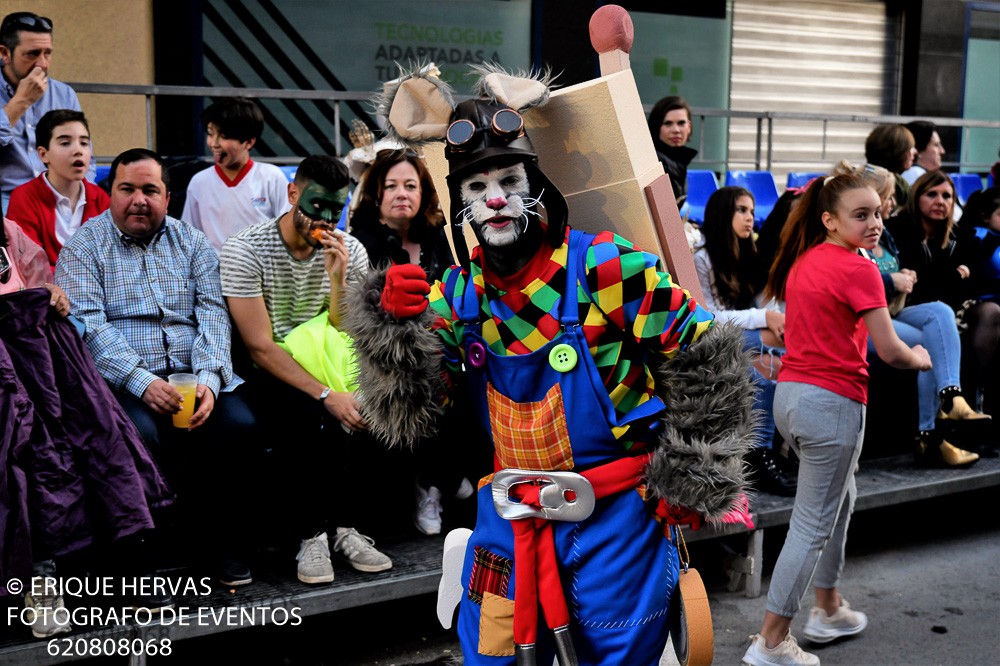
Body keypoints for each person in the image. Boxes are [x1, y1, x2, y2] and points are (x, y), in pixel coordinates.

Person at [346, 65, 754, 666]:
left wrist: (694, 469)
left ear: (534, 184)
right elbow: (411, 414)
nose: (494, 198)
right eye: (476, 187)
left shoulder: (608, 269)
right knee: (491, 652)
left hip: (616, 518)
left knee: (611, 656)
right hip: (510, 517)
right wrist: (391, 332)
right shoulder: (457, 295)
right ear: (459, 204)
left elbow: (705, 356)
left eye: (509, 179)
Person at [742, 174, 932, 666]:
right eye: (861, 215)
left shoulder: (804, 261)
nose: (874, 223)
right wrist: (920, 357)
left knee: (839, 499)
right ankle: (770, 643)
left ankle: (826, 608)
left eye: (877, 213)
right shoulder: (859, 268)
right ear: (830, 220)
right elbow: (889, 350)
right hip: (831, 405)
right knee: (811, 524)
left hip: (792, 400)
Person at [54, 148, 257, 595]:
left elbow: (213, 315)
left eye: (150, 190)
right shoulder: (84, 247)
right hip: (121, 381)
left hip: (192, 374)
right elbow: (88, 327)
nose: (139, 199)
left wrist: (207, 379)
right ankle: (153, 563)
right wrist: (142, 383)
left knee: (240, 424)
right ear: (111, 193)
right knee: (142, 433)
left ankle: (221, 546)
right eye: (127, 189)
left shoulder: (194, 243)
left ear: (168, 196)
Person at [220, 154, 394, 585]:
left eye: (336, 210)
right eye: (316, 206)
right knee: (309, 415)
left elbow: (344, 328)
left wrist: (337, 280)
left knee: (371, 405)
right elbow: (258, 346)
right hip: (264, 367)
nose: (325, 220)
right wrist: (324, 395)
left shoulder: (348, 248)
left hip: (324, 356)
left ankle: (346, 529)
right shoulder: (245, 249)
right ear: (292, 193)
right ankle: (311, 534)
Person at [0, 215, 173, 637]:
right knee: (21, 453)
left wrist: (52, 294)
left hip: (37, 357)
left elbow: (41, 280)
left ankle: (125, 573)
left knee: (98, 433)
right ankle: (38, 581)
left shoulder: (6, 231)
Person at [348, 147, 482, 535]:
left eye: (410, 185)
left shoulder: (439, 237)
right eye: (391, 186)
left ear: (425, 192)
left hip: (446, 345)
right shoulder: (361, 242)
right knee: (416, 383)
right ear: (376, 194)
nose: (401, 193)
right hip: (384, 354)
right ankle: (439, 478)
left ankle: (437, 479)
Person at [831, 160, 985, 466]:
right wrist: (894, 280)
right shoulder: (855, 233)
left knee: (938, 314)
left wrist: (902, 278)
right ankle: (930, 437)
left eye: (885, 202)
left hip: (892, 310)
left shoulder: (884, 233)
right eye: (885, 199)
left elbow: (956, 278)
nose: (889, 205)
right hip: (859, 321)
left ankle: (952, 397)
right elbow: (850, 280)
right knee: (930, 343)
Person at [694, 185, 795, 495]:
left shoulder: (750, 252)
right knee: (770, 359)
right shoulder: (702, 258)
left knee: (776, 361)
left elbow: (767, 302)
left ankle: (770, 451)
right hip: (711, 341)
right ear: (723, 214)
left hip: (745, 341)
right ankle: (763, 454)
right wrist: (765, 319)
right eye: (741, 210)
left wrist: (771, 317)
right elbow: (708, 317)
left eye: (752, 211)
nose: (750, 218)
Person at [0, 12, 94, 211]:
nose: (43, 64)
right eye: (32, 54)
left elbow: (86, 157)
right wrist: (20, 102)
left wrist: (84, 200)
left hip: (60, 199)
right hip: (8, 200)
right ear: (4, 54)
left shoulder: (63, 94)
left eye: (47, 53)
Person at [181, 97, 289, 252]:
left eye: (224, 136)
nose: (214, 143)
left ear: (249, 142)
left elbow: (287, 232)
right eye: (210, 134)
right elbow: (189, 238)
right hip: (215, 273)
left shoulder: (271, 177)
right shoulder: (199, 182)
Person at [6, 109, 108, 271]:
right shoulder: (24, 197)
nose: (78, 150)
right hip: (45, 293)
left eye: (84, 143)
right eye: (65, 143)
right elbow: (27, 265)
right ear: (43, 154)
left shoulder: (101, 199)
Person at [960, 187, 1000, 419]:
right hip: (975, 304)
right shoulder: (979, 237)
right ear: (986, 216)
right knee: (992, 312)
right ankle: (976, 392)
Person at [646, 95, 697, 207]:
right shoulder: (654, 162)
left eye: (681, 123)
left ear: (689, 127)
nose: (676, 130)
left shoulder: (679, 160)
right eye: (668, 123)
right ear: (656, 127)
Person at [865, 124, 916, 213]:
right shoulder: (877, 184)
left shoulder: (898, 182)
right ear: (897, 151)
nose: (915, 152)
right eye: (909, 148)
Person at [901, 120, 946, 186]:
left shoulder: (921, 175)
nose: (942, 151)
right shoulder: (915, 174)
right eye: (936, 145)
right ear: (918, 151)